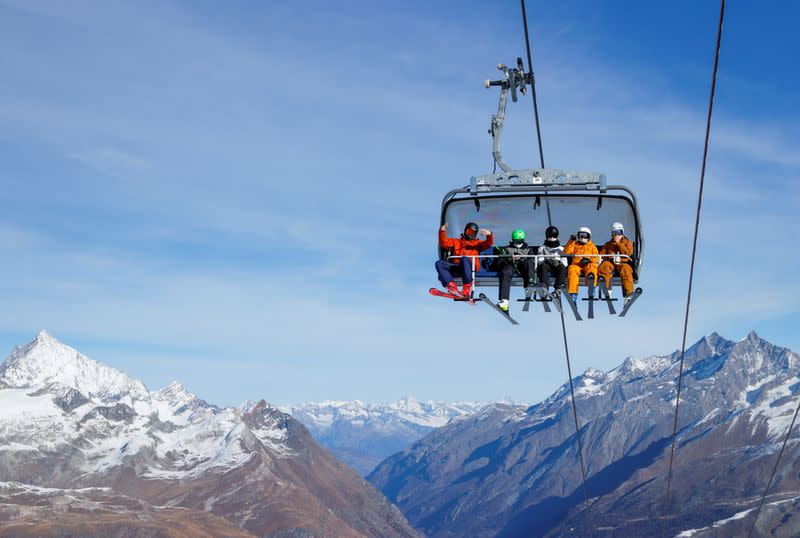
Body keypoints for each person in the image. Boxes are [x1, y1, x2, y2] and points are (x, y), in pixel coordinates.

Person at [435, 222, 493, 298]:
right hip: (458, 266)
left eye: (474, 233)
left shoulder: (477, 244)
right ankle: (452, 287)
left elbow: (488, 243)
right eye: (469, 232)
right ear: (465, 231)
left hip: (470, 267)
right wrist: (442, 231)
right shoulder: (456, 241)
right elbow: (444, 243)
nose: (471, 234)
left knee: (464, 258)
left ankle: (466, 289)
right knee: (439, 263)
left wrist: (489, 235)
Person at [491, 228, 536, 312]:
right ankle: (504, 301)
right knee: (505, 272)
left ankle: (529, 286)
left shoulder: (528, 249)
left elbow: (533, 260)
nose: (517, 243)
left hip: (523, 266)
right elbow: (500, 259)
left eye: (519, 241)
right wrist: (510, 257)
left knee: (529, 262)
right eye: (515, 241)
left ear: (523, 240)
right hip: (511, 266)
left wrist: (521, 257)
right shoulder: (507, 249)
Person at [598, 222, 635, 304]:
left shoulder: (627, 242)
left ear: (622, 233)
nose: (616, 235)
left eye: (618, 233)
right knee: (605, 266)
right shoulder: (608, 244)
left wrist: (619, 244)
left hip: (622, 262)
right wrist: (608, 256)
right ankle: (607, 289)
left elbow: (628, 253)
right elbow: (601, 255)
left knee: (626, 270)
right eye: (614, 233)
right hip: (610, 262)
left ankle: (629, 293)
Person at [563, 226, 598, 300]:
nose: (582, 237)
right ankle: (573, 294)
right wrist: (571, 241)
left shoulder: (592, 246)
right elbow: (566, 252)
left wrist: (589, 260)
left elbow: (596, 258)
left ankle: (591, 286)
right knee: (572, 269)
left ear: (589, 237)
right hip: (577, 264)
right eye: (581, 235)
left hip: (588, 264)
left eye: (585, 236)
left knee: (592, 267)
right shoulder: (575, 244)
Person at [536, 225, 567, 293]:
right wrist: (548, 261)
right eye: (550, 236)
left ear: (557, 237)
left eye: (554, 236)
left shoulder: (561, 249)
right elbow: (540, 260)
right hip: (547, 266)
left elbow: (565, 262)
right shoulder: (542, 248)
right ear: (547, 237)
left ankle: (558, 289)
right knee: (543, 266)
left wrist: (558, 262)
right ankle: (544, 288)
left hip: (557, 267)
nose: (552, 238)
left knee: (562, 267)